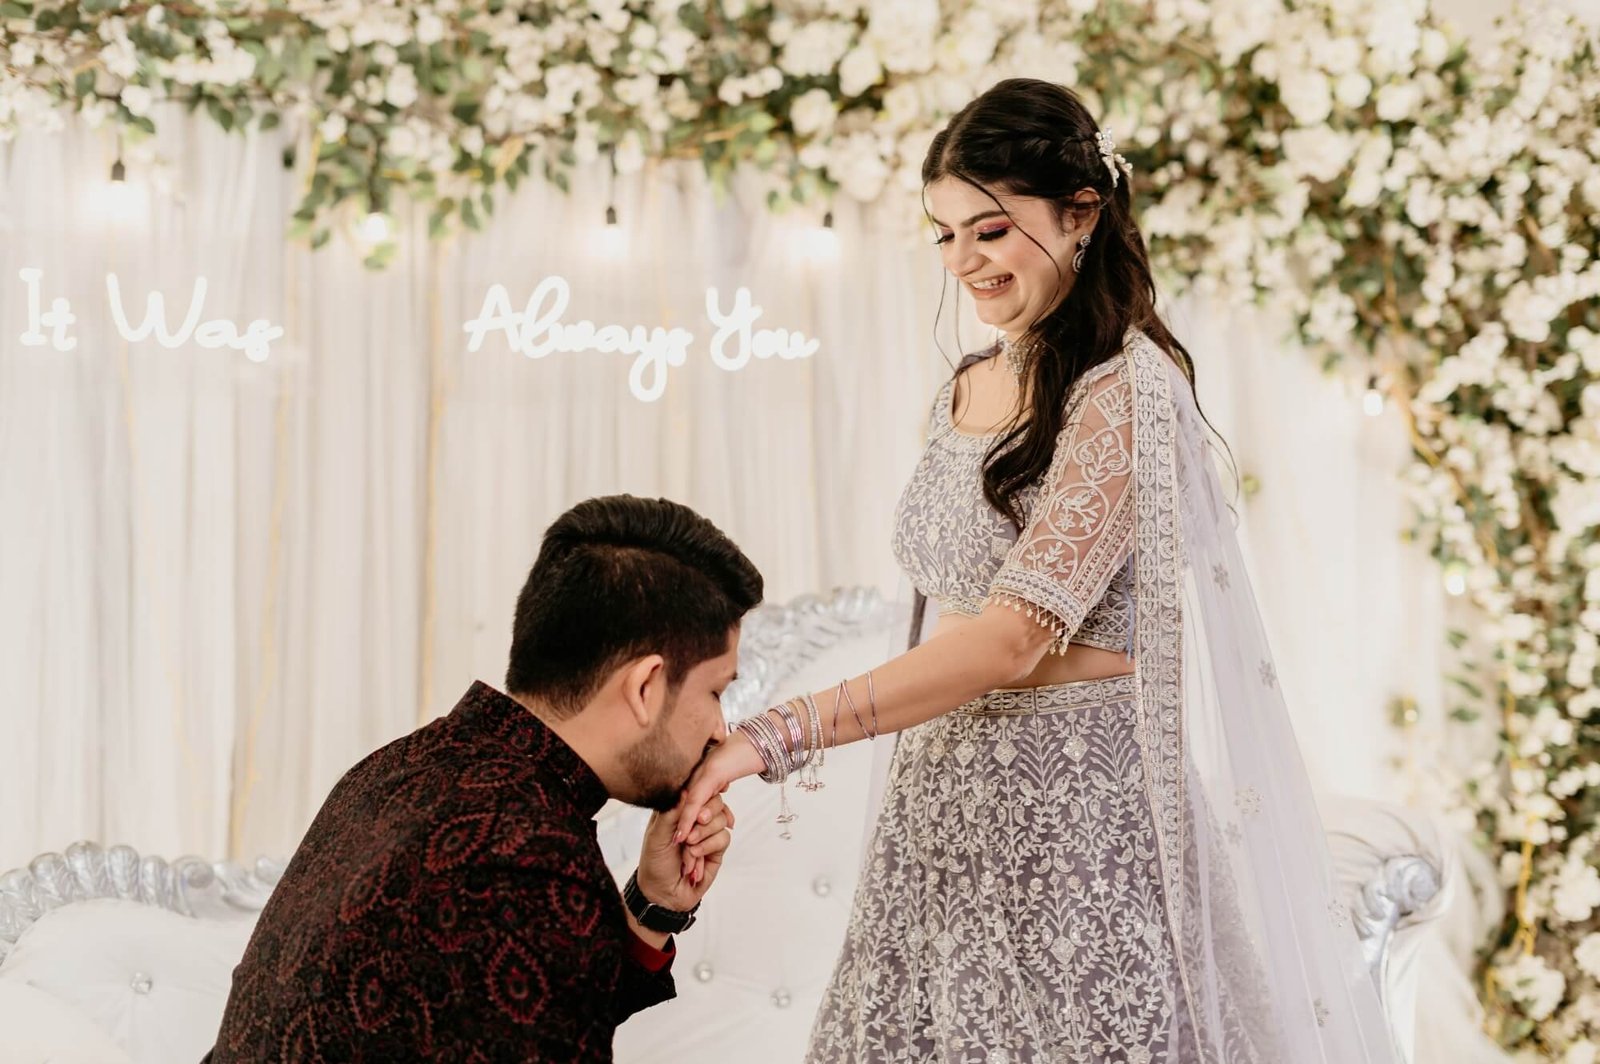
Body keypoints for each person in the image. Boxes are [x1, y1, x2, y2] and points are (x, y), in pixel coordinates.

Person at [675, 80, 1401, 1062]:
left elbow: (1013, 636)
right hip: (940, 818)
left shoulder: (1126, 388)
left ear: (1079, 214)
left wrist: (777, 732)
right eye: (943, 235)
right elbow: (944, 622)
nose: (963, 261)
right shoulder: (966, 387)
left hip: (1081, 824)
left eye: (990, 229)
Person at [206, 494, 762, 1063]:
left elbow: (499, 1011)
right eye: (715, 691)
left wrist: (653, 904)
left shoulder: (402, 766)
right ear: (645, 687)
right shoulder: (532, 857)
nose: (721, 730)